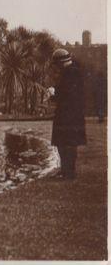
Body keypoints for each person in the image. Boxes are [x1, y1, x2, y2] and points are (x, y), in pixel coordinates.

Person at [48, 48, 86, 179]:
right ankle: (65, 170)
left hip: (68, 115)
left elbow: (67, 95)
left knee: (67, 143)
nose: (56, 68)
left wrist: (54, 93)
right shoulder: (71, 72)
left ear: (60, 62)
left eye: (56, 64)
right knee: (64, 142)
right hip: (69, 114)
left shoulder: (71, 74)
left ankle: (68, 173)